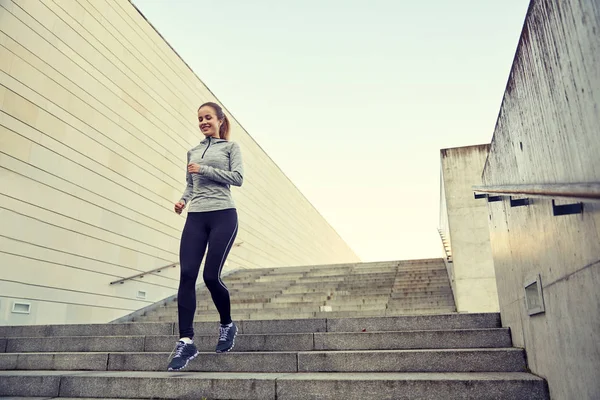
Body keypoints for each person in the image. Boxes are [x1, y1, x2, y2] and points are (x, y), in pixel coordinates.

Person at [167, 102, 244, 371]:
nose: (203, 122)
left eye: (207, 117)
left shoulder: (231, 148)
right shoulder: (193, 151)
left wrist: (205, 170)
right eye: (199, 118)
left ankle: (227, 324)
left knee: (211, 276)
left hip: (223, 215)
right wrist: (182, 201)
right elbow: (191, 184)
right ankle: (186, 340)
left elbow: (237, 178)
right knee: (187, 275)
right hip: (197, 216)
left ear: (220, 120)